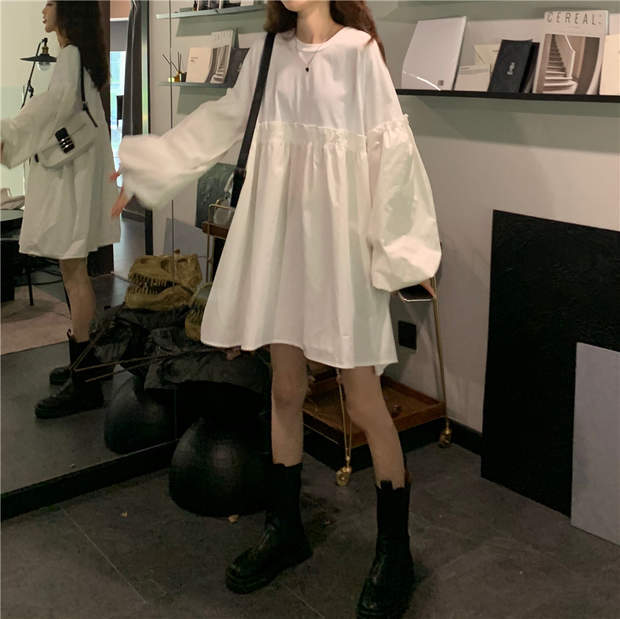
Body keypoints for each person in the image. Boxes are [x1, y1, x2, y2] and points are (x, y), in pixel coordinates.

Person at [112, 1, 440, 617]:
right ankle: (285, 527)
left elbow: (391, 155)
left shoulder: (359, 54)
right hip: (285, 248)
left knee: (364, 401)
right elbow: (220, 122)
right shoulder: (269, 54)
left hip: (340, 255)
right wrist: (147, 168)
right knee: (285, 389)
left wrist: (404, 253)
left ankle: (394, 550)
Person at [0, 1, 121, 418]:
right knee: (76, 271)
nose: (43, 10)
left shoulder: (70, 57)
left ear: (66, 11)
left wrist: (9, 135)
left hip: (73, 182)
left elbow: (52, 109)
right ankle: (86, 363)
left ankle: (85, 383)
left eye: (50, 3)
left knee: (74, 273)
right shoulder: (81, 57)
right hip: (80, 177)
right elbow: (57, 109)